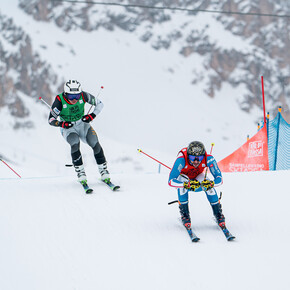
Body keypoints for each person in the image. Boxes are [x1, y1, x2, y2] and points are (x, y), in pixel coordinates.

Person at [48, 79, 110, 188]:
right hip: (69, 128)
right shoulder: (59, 101)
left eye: (77, 96)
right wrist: (62, 124)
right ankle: (81, 174)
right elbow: (51, 120)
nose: (75, 99)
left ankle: (104, 172)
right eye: (71, 97)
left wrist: (91, 116)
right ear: (66, 94)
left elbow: (100, 104)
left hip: (83, 124)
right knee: (75, 143)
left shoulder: (84, 96)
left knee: (95, 143)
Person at [168, 141, 226, 229]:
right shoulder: (181, 159)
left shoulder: (209, 158)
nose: (196, 161)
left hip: (198, 175)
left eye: (200, 158)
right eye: (192, 157)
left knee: (209, 187)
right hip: (184, 177)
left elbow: (219, 178)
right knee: (182, 186)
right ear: (188, 155)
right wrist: (185, 184)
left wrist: (212, 183)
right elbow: (171, 181)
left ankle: (218, 214)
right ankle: (185, 215)